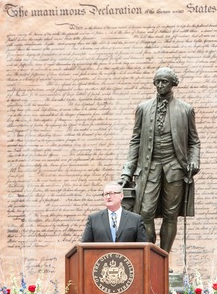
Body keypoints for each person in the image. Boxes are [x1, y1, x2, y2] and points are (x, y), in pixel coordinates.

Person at [121, 67, 201, 253]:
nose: (160, 85)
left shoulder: (186, 109)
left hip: (175, 169)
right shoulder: (143, 108)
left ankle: (164, 258)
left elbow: (194, 142)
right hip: (149, 168)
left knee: (170, 215)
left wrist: (194, 160)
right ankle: (152, 256)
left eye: (164, 81)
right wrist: (127, 171)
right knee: (145, 213)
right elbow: (135, 141)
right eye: (157, 81)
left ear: (173, 84)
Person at [81, 181, 147, 243]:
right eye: (105, 194)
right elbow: (84, 246)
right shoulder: (93, 219)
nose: (108, 197)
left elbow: (143, 247)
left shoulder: (136, 220)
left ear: (121, 196)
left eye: (111, 193)